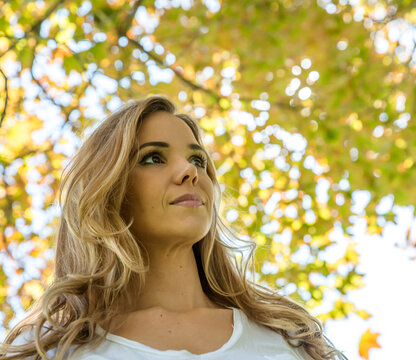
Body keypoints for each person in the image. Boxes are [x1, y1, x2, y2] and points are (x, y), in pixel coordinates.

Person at [0, 95, 347, 360]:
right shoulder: (48, 349)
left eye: (197, 159)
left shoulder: (290, 340)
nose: (190, 172)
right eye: (153, 158)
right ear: (109, 191)